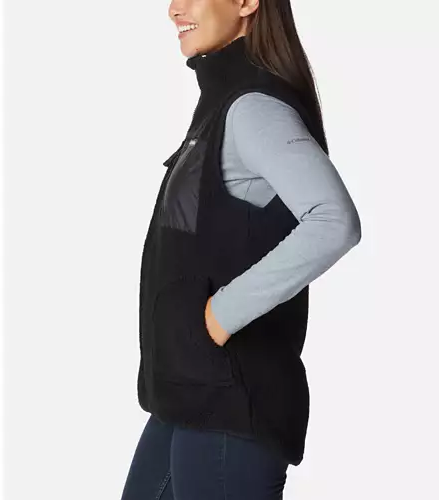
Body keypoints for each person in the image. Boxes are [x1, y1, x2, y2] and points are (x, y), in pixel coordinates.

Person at [121, 0, 361, 498]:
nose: (174, 9)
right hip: (190, 391)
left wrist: (218, 317)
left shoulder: (253, 108)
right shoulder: (221, 104)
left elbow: (334, 221)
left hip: (231, 400)